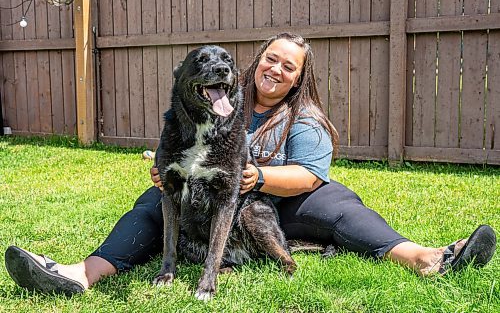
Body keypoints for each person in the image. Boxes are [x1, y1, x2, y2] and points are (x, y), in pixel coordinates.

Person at [5, 33, 496, 296]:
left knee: (338, 201)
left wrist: (258, 177)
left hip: (276, 204)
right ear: (257, 59)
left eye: (289, 66)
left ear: (299, 79)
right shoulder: (219, 92)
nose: (276, 69)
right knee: (153, 202)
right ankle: (78, 275)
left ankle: (427, 258)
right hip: (208, 201)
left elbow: (308, 175)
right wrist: (168, 169)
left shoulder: (305, 118)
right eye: (271, 59)